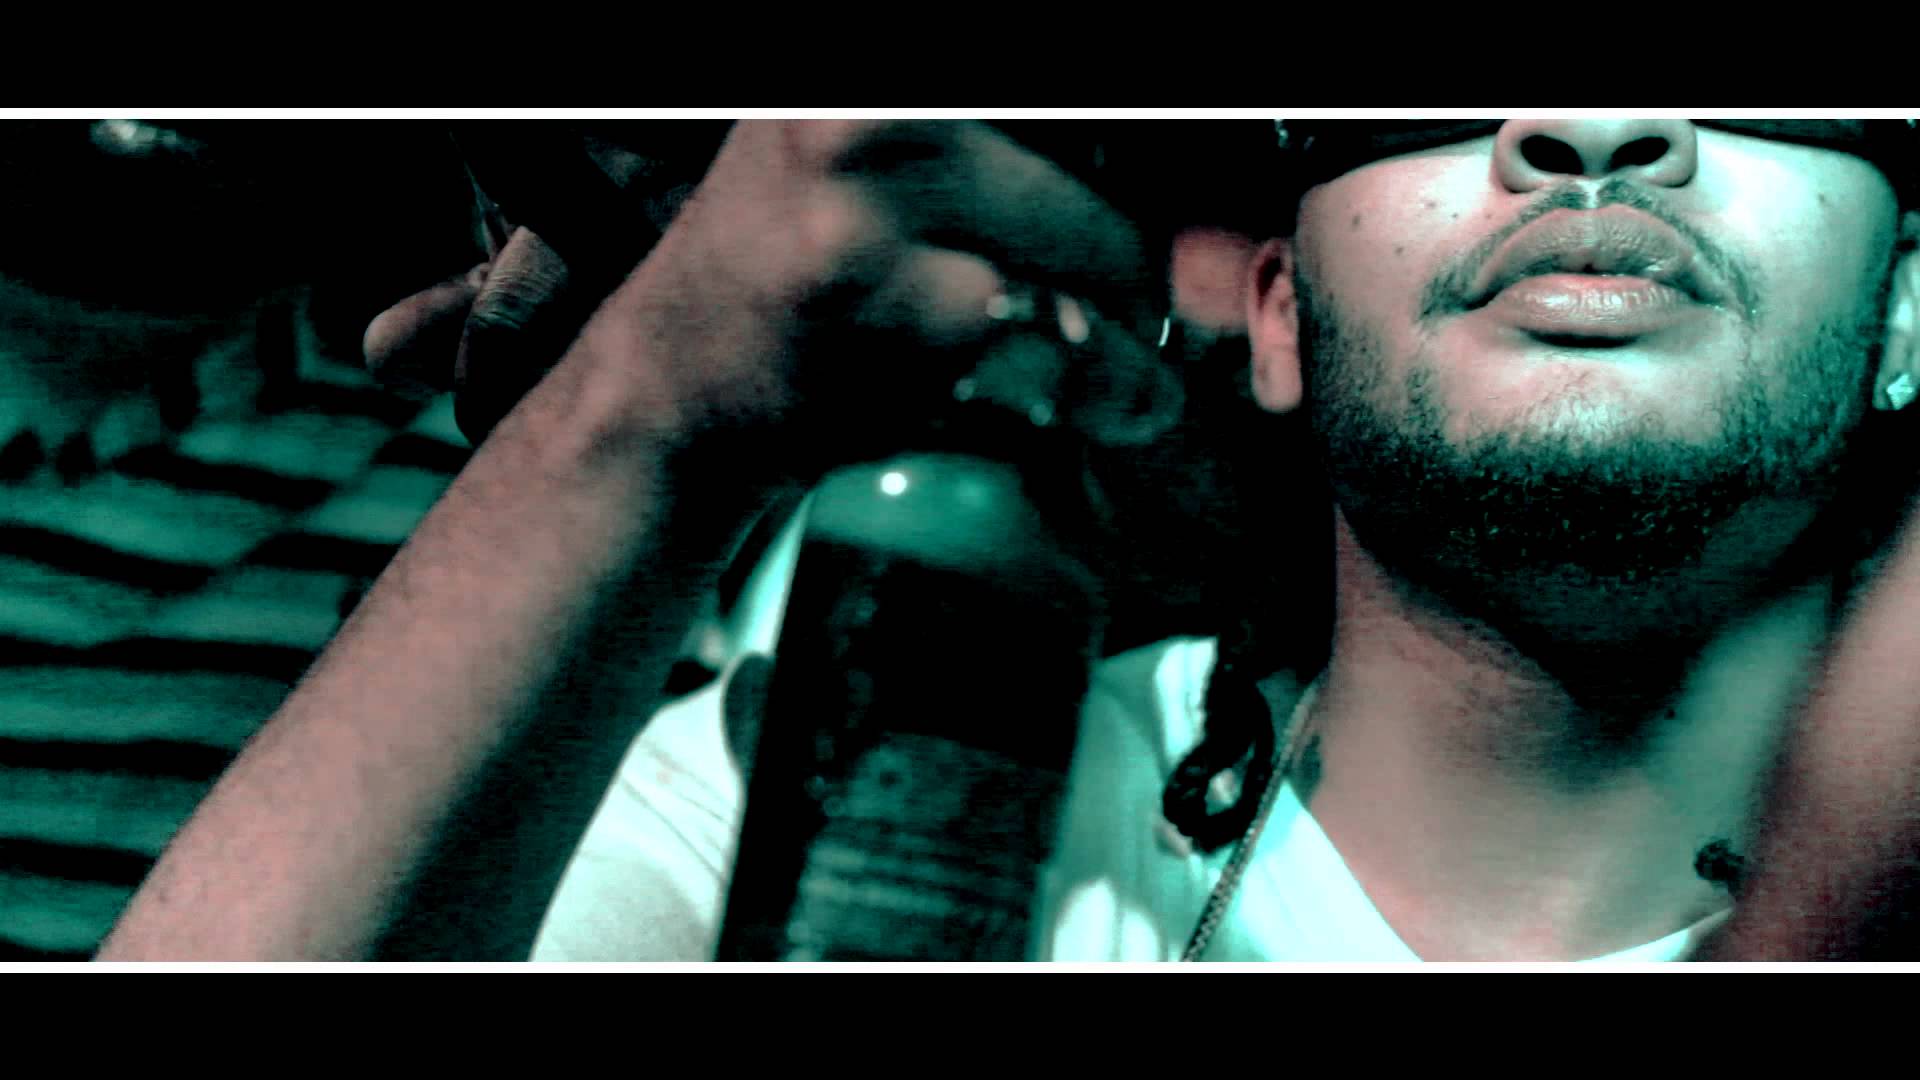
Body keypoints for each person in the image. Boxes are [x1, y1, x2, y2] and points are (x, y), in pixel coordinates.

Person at [96, 118, 1920, 962]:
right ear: (1278, 310)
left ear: (1911, 309)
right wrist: (647, 422)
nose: (1595, 132)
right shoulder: (878, 778)